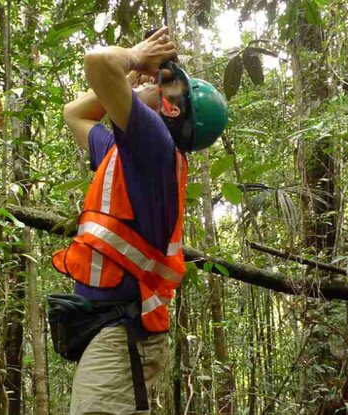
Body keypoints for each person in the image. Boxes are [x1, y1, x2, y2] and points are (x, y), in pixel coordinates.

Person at [50, 27, 228, 414]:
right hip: (111, 331)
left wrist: (135, 56)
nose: (150, 79)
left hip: (122, 333)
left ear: (171, 110)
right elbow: (75, 114)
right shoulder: (127, 153)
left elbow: (98, 63)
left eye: (163, 82)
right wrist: (130, 79)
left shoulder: (155, 145)